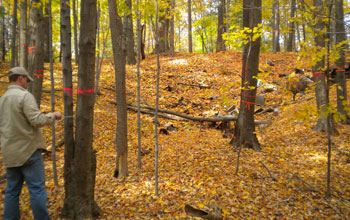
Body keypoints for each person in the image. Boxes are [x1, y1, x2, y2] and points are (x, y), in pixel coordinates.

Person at [0, 67, 62, 220]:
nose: (27, 83)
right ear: (20, 78)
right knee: (37, 190)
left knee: (12, 191)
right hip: (29, 152)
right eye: (26, 80)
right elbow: (37, 120)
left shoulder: (2, 100)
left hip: (10, 154)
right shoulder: (24, 96)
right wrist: (53, 115)